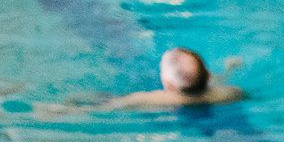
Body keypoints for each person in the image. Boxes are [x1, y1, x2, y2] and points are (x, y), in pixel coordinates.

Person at [99, 46, 244, 110]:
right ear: (208, 75)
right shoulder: (227, 94)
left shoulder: (158, 98)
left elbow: (116, 103)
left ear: (169, 85)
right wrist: (229, 69)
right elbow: (220, 84)